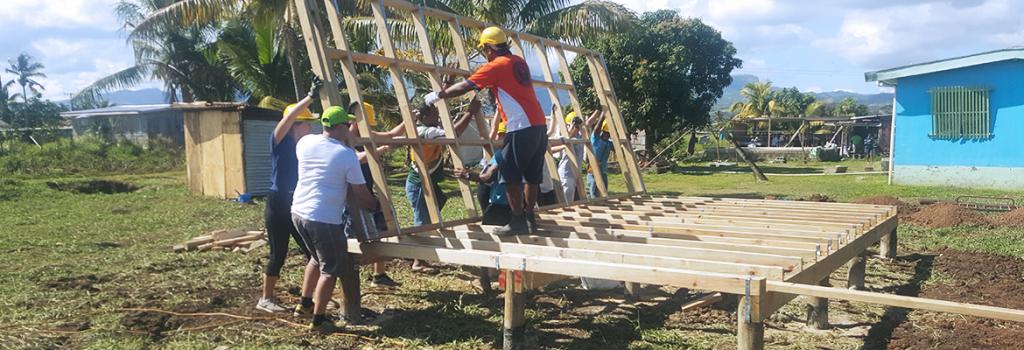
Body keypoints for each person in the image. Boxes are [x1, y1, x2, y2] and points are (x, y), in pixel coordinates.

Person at [422, 26, 548, 235]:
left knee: (510, 174)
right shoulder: (518, 61)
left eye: (485, 51)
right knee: (532, 175)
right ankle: (529, 218)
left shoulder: (497, 66)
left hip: (520, 126)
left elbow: (467, 86)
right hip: (538, 126)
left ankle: (517, 221)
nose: (485, 55)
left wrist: (437, 95)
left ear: (490, 48)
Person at [291, 105, 379, 332]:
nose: (350, 129)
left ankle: (304, 305)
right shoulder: (345, 154)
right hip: (324, 219)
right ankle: (319, 321)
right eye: (347, 125)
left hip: (299, 212)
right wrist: (375, 206)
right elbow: (360, 194)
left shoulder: (306, 143)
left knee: (315, 258)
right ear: (339, 127)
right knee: (330, 269)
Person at [256, 77, 321, 314]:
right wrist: (310, 98)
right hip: (278, 201)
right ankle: (266, 298)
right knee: (278, 252)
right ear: (295, 125)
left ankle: (312, 296)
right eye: (306, 124)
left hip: (297, 203)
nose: (310, 128)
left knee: (311, 251)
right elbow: (287, 120)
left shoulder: (306, 147)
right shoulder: (278, 141)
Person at [346, 102, 402, 288]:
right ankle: (349, 277)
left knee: (380, 230)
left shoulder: (366, 135)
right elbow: (354, 158)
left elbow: (391, 134)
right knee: (353, 238)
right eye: (366, 125)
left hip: (368, 190)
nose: (368, 129)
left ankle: (379, 275)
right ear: (354, 122)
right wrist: (379, 150)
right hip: (353, 197)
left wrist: (412, 117)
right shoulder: (345, 139)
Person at [550, 110, 600, 202]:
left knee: (577, 202)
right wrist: (574, 126)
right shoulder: (566, 134)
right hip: (566, 174)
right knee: (567, 203)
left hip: (576, 174)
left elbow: (589, 123)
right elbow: (568, 137)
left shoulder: (580, 135)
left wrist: (598, 110)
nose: (578, 127)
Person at [587, 112, 613, 199]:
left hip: (603, 171)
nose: (607, 135)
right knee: (594, 194)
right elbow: (597, 127)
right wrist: (603, 113)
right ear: (602, 131)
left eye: (608, 134)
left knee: (604, 195)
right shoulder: (595, 138)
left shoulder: (609, 143)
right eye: (605, 133)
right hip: (593, 170)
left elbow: (620, 149)